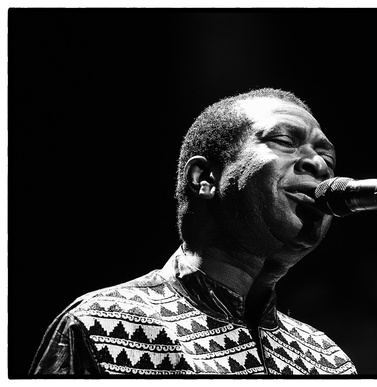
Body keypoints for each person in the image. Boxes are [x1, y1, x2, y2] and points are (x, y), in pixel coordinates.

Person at [29, 88, 357, 376]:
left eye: (327, 157)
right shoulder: (103, 325)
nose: (319, 165)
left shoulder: (328, 362)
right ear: (205, 179)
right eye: (285, 141)